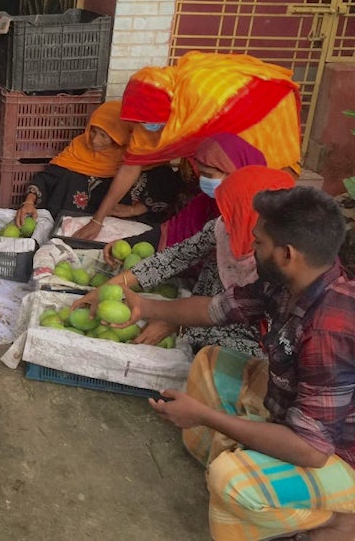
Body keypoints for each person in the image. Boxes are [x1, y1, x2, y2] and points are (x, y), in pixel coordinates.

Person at [76, 185, 355, 540]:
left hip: (338, 456)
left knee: (231, 481)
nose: (251, 250)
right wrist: (146, 307)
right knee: (210, 362)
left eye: (258, 243)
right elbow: (213, 310)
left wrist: (205, 416)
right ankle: (263, 476)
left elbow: (311, 449)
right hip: (297, 415)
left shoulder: (332, 326)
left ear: (286, 254)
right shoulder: (290, 282)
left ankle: (335, 519)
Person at [73, 51, 301, 241]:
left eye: (152, 122)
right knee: (201, 194)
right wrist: (98, 219)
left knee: (251, 192)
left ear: (171, 112)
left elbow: (225, 151)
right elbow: (131, 165)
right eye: (140, 122)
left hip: (262, 108)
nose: (147, 127)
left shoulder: (202, 100)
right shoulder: (152, 108)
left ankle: (248, 227)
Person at [99, 165, 296, 356]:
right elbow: (177, 256)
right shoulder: (223, 227)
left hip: (243, 346)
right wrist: (114, 285)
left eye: (233, 214)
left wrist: (178, 324)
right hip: (202, 313)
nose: (224, 221)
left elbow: (242, 324)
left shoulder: (280, 271)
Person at [13, 101, 181, 226]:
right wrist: (29, 202)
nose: (94, 140)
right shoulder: (79, 149)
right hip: (72, 227)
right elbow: (48, 177)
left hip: (121, 232)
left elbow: (167, 187)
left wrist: (133, 210)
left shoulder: (139, 156)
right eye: (93, 131)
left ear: (119, 137)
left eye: (104, 135)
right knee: (69, 177)